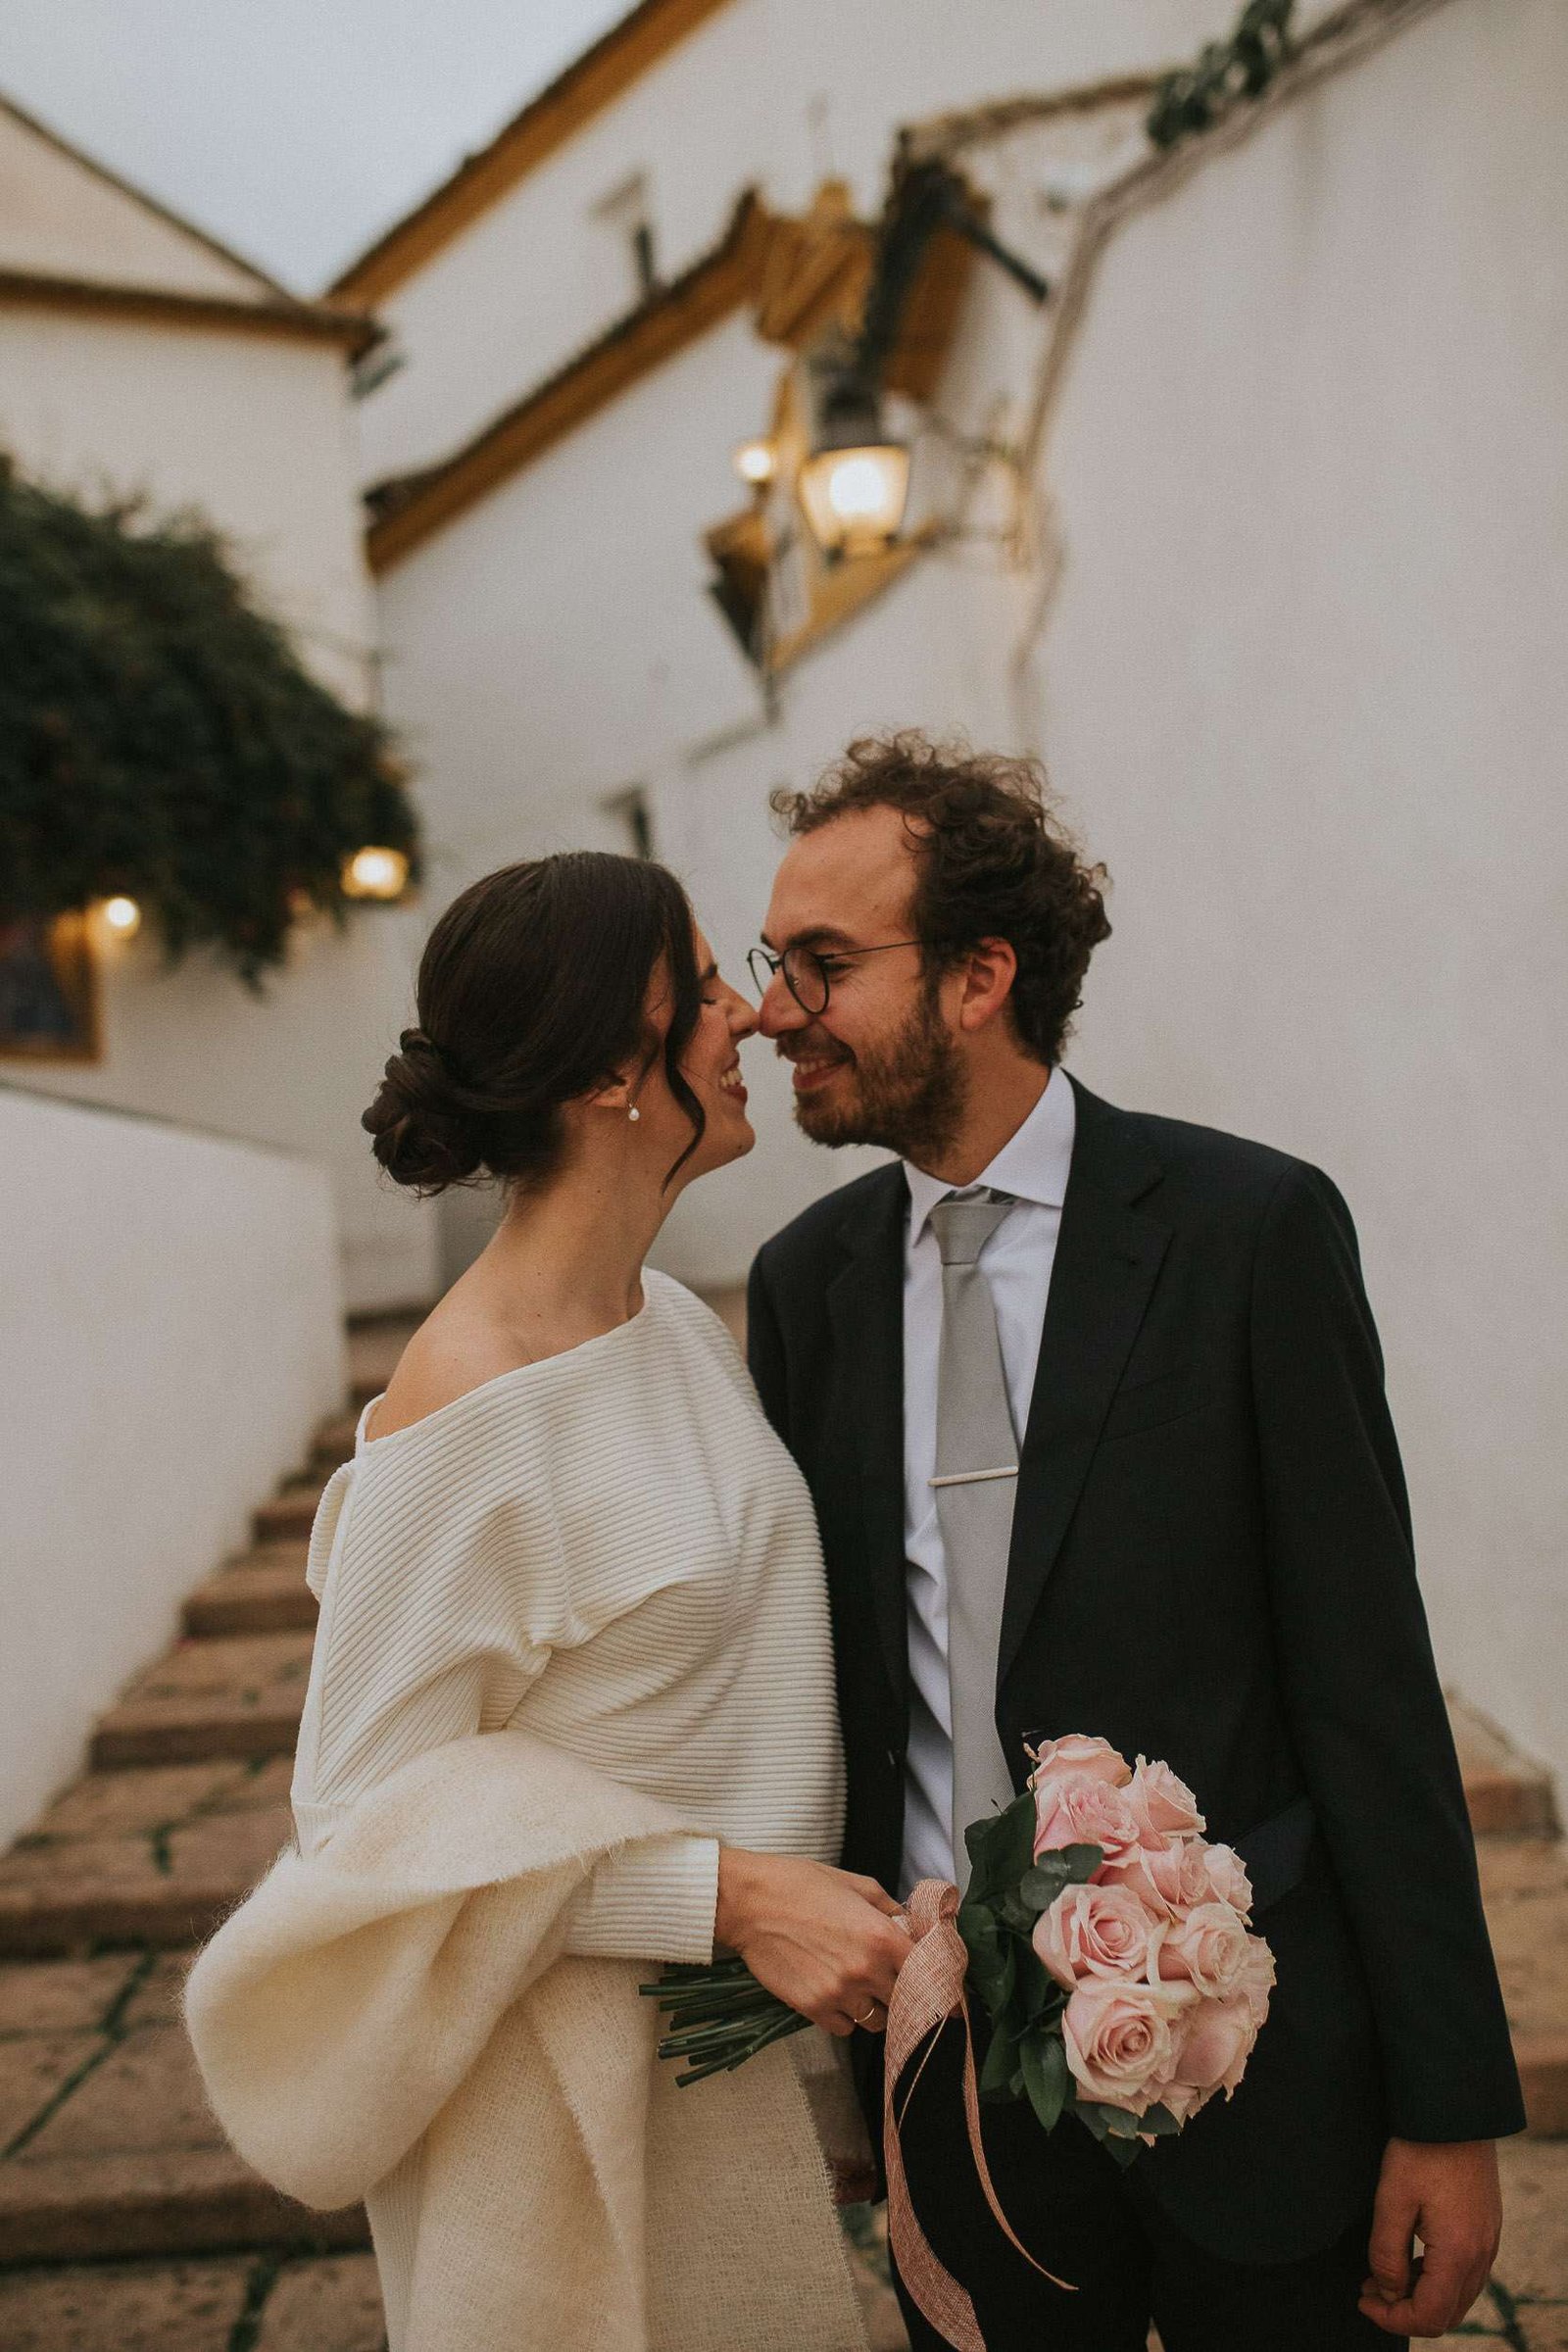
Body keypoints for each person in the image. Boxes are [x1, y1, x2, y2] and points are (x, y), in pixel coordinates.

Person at [744, 734, 1525, 2352]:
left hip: (1260, 2081)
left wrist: (1447, 2110)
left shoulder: (1248, 1233)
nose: (773, 1012)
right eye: (772, 965)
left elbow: (1371, 1686)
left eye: (823, 965)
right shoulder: (808, 1286)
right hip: (958, 2091)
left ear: (979, 977)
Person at [186, 851, 907, 2352]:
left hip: (735, 2066)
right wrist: (723, 1895)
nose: (750, 1022)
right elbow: (356, 1828)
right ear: (607, 1072)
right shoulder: (461, 1417)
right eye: (707, 990)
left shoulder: (676, 1335)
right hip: (576, 2124)